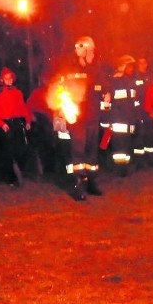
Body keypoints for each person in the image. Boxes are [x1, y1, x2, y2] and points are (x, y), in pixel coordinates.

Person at [51, 35, 111, 200]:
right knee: (78, 150)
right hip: (77, 117)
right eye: (77, 47)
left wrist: (107, 94)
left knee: (92, 152)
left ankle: (91, 183)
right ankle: (77, 184)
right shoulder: (70, 68)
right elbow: (59, 88)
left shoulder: (95, 69)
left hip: (92, 116)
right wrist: (63, 109)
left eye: (81, 47)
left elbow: (104, 86)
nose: (78, 49)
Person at [0, 67, 33, 187]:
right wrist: (1, 124)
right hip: (6, 125)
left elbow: (24, 108)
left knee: (21, 149)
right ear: (2, 80)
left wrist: (28, 120)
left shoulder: (18, 93)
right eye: (6, 78)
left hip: (17, 123)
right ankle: (10, 178)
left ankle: (18, 172)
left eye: (10, 78)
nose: (9, 80)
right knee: (8, 153)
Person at [107, 55, 140, 175]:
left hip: (129, 119)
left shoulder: (131, 81)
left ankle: (124, 167)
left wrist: (136, 116)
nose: (132, 69)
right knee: (119, 145)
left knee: (127, 144)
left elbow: (134, 101)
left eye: (132, 66)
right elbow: (111, 101)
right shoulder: (115, 81)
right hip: (118, 119)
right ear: (122, 67)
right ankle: (119, 168)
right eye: (129, 66)